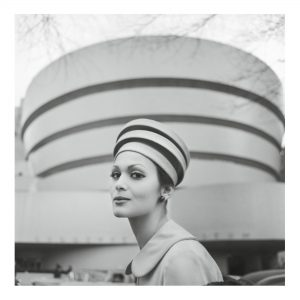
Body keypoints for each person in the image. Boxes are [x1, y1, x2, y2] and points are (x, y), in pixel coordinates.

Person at [109, 118, 223, 285]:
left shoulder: (181, 259)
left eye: (136, 175)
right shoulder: (166, 255)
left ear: (166, 190)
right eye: (115, 175)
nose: (119, 184)